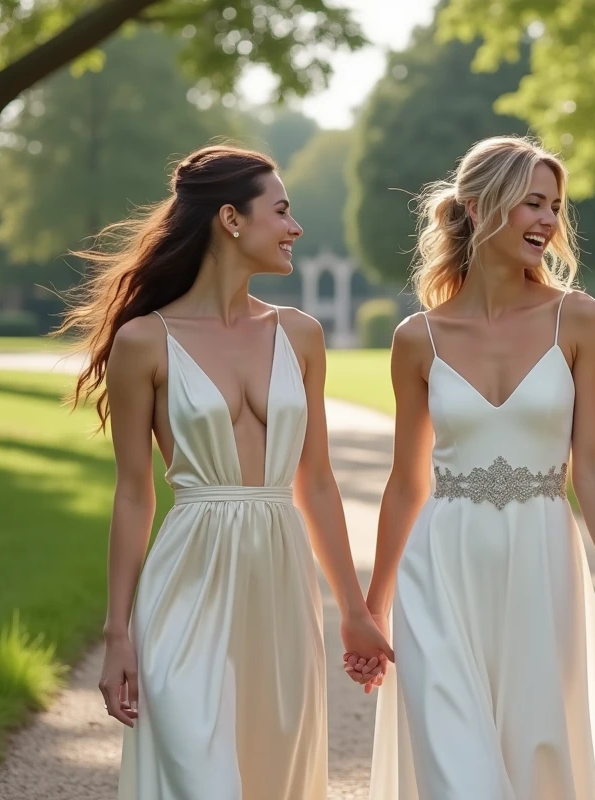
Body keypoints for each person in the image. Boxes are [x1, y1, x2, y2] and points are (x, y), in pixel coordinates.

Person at [59, 144, 391, 799]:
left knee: (275, 767)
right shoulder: (144, 342)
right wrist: (117, 634)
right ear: (232, 220)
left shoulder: (300, 335)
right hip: (189, 572)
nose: (296, 228)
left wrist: (352, 609)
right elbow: (133, 495)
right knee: (193, 766)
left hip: (280, 575)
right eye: (283, 211)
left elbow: (317, 482)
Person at [355, 135, 595, 800]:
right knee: (454, 767)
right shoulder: (418, 338)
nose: (549, 221)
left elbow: (591, 468)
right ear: (477, 207)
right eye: (532, 204)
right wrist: (372, 606)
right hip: (440, 566)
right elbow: (407, 481)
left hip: (540, 562)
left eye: (555, 206)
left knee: (536, 756)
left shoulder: (579, 320)